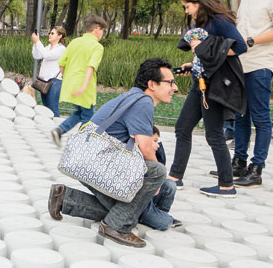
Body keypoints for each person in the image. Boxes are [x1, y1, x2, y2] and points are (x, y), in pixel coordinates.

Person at [47, 58, 178, 247]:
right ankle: (116, 226)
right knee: (156, 171)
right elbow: (144, 147)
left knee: (122, 209)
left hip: (89, 159)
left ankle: (65, 199)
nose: (174, 88)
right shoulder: (144, 102)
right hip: (100, 163)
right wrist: (153, 178)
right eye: (170, 82)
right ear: (152, 84)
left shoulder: (131, 96)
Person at [169, 0, 247, 198]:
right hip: (199, 81)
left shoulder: (219, 21)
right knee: (182, 128)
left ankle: (226, 185)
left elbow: (240, 46)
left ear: (198, 2)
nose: (186, 11)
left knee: (214, 135)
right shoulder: (203, 22)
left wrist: (212, 52)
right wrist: (191, 64)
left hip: (213, 85)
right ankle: (175, 177)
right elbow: (205, 51)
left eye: (187, 6)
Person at [227, 0, 273, 188]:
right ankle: (239, 162)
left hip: (260, 65)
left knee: (261, 119)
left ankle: (256, 168)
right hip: (241, 64)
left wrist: (251, 41)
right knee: (241, 115)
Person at [50, 14, 107, 146]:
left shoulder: (75, 42)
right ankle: (82, 145)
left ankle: (60, 130)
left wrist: (68, 79)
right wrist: (83, 86)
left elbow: (61, 63)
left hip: (70, 85)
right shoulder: (97, 46)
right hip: (84, 88)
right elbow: (90, 67)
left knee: (80, 113)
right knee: (89, 117)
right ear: (97, 29)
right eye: (102, 30)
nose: (102, 34)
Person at [138, 126, 182, 230]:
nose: (158, 145)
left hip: (150, 198)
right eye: (155, 141)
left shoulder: (155, 154)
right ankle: (150, 217)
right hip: (140, 201)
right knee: (165, 223)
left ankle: (158, 213)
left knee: (170, 184)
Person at [31, 26, 66, 117]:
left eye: (52, 33)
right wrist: (35, 44)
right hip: (44, 82)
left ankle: (58, 129)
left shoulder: (61, 49)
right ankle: (49, 128)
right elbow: (37, 56)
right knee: (46, 110)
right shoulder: (47, 47)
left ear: (60, 36)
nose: (49, 35)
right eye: (50, 33)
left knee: (53, 109)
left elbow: (47, 56)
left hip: (54, 81)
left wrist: (38, 42)